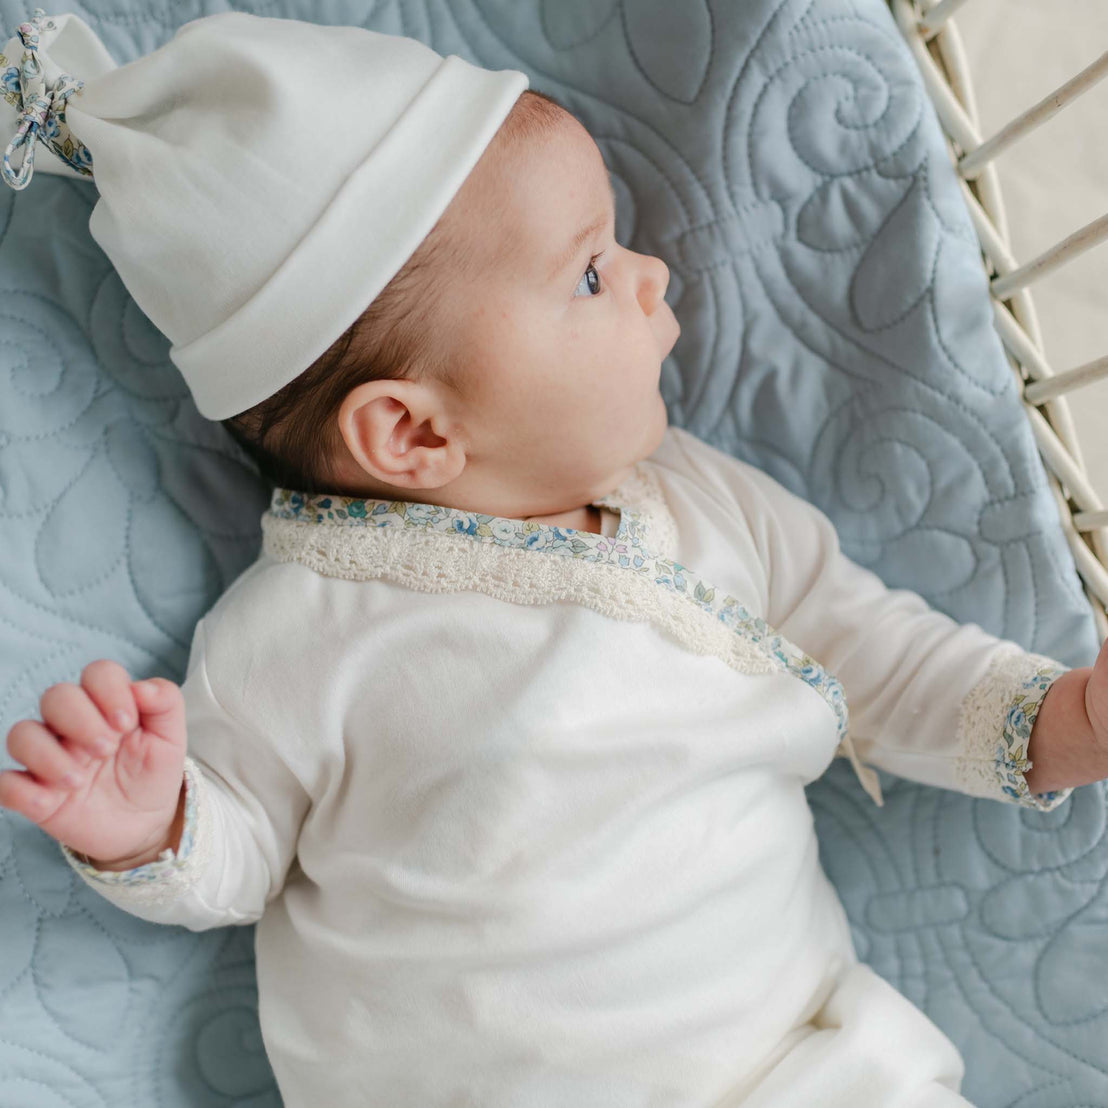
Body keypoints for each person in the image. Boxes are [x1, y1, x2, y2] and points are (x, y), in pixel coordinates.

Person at [1, 8, 1105, 1107]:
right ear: (416, 435)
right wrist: (155, 825)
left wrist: (1060, 721)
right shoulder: (294, 628)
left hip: (795, 1069)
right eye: (588, 271)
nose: (651, 274)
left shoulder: (704, 506)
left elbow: (877, 655)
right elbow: (238, 849)